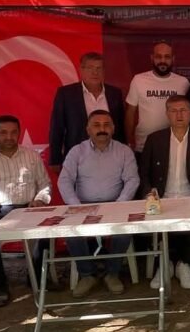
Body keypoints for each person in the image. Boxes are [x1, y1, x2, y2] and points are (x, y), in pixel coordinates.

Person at [58, 110, 140, 298]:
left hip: (116, 203)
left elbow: (132, 179)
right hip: (82, 205)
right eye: (96, 125)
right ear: (88, 129)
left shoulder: (124, 151)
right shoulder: (77, 151)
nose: (102, 129)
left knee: (125, 230)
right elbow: (64, 180)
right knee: (71, 231)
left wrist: (120, 204)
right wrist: (76, 206)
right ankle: (87, 274)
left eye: (106, 125)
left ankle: (112, 273)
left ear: (113, 128)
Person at [140, 95, 190, 290]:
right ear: (167, 114)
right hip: (161, 197)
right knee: (150, 217)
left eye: (183, 110)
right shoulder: (155, 139)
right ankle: (164, 264)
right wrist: (149, 193)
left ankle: (184, 263)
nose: (179, 115)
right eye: (173, 111)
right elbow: (143, 172)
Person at [0, 115, 52, 301]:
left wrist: (40, 200)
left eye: (13, 132)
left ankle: (38, 278)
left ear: (19, 133)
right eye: (3, 132)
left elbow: (45, 184)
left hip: (28, 208)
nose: (9, 137)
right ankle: (0, 285)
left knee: (46, 229)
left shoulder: (31, 156)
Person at [49, 51, 125, 168]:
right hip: (78, 158)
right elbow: (57, 128)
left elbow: (120, 128)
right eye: (90, 68)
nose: (95, 72)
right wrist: (55, 160)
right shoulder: (66, 94)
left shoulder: (114, 93)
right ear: (81, 70)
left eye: (99, 68)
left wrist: (123, 155)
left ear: (104, 71)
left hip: (110, 157)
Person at [125, 40, 190, 157]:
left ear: (173, 59)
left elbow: (188, 114)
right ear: (152, 58)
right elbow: (130, 113)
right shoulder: (138, 80)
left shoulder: (183, 82)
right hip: (143, 146)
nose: (162, 60)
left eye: (167, 57)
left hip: (174, 147)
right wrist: (129, 141)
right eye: (158, 56)